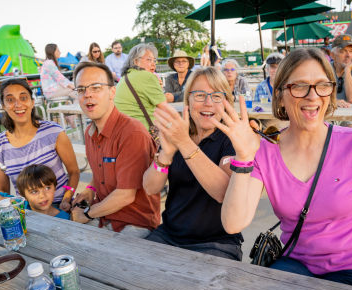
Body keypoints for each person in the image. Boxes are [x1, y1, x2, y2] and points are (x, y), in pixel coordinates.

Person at [211, 47, 352, 290]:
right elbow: (233, 223)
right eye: (300, 86)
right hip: (295, 265)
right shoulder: (266, 151)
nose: (313, 96)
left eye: (322, 85)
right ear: (280, 94)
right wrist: (244, 158)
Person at [142, 67, 243, 261]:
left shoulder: (232, 138)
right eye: (199, 95)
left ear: (227, 102)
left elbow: (224, 192)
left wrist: (184, 143)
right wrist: (166, 154)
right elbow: (150, 187)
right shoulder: (179, 133)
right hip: (169, 235)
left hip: (217, 242)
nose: (208, 103)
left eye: (216, 96)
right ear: (188, 99)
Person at [70, 62, 161, 238]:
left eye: (96, 87)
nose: (87, 94)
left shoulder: (132, 132)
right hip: (104, 216)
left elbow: (125, 196)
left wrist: (87, 214)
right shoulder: (90, 132)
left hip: (135, 223)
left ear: (112, 92)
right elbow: (102, 175)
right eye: (81, 89)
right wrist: (90, 189)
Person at [0, 78, 79, 213]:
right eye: (10, 100)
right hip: (27, 212)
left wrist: (66, 199)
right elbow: (3, 191)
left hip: (60, 207)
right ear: (4, 105)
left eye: (23, 98)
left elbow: (74, 171)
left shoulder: (53, 132)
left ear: (32, 102)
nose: (18, 104)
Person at [114, 43, 172, 132]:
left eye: (154, 60)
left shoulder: (125, 77)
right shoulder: (147, 77)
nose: (153, 64)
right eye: (149, 60)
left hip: (123, 132)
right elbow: (165, 109)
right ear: (136, 61)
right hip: (144, 134)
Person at [40, 43, 77, 129]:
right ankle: (70, 116)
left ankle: (70, 116)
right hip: (51, 91)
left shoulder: (47, 62)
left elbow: (60, 79)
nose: (60, 52)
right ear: (52, 52)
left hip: (51, 90)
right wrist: (73, 87)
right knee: (78, 92)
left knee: (76, 93)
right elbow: (60, 78)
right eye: (58, 50)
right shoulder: (49, 63)